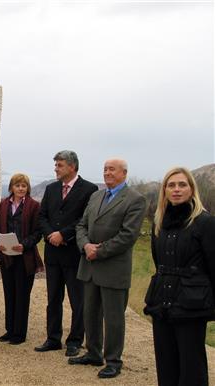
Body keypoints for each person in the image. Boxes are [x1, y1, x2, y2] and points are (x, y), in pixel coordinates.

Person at [71, 158, 146, 379]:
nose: (107, 173)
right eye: (105, 169)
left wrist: (99, 250)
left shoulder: (135, 199)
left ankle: (113, 361)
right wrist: (85, 245)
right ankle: (93, 353)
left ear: (124, 172)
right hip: (90, 265)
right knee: (90, 313)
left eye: (112, 169)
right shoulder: (96, 196)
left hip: (113, 268)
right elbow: (81, 225)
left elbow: (128, 235)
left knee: (113, 319)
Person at [143, 167, 215, 386]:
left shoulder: (205, 223)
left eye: (182, 184)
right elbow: (159, 263)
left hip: (191, 304)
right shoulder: (159, 223)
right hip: (162, 302)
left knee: (192, 368)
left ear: (192, 189)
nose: (176, 189)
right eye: (171, 185)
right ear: (164, 190)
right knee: (166, 365)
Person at [35, 151, 98, 357]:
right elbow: (42, 216)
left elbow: (84, 220)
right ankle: (53, 338)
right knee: (53, 298)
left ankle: (75, 341)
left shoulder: (89, 189)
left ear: (72, 167)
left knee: (77, 300)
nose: (56, 169)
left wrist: (63, 234)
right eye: (56, 165)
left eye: (59, 165)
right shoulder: (51, 188)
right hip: (52, 254)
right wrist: (51, 235)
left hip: (73, 254)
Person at [0, 173, 43, 344]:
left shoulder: (34, 206)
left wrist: (24, 244)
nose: (21, 188)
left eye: (24, 186)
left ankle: (19, 334)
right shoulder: (4, 204)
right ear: (11, 187)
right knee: (9, 292)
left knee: (22, 294)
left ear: (27, 188)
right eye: (17, 185)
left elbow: (38, 232)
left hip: (25, 256)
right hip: (6, 255)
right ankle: (10, 329)